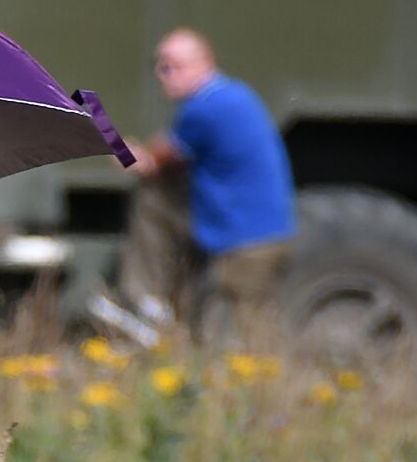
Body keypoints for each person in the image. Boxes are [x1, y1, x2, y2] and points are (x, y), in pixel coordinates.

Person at [119, 27, 296, 342]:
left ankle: (145, 302)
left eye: (173, 65)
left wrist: (117, 146)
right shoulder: (234, 95)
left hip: (246, 245)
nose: (163, 74)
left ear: (205, 63)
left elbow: (152, 164)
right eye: (159, 66)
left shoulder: (203, 109)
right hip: (265, 235)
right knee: (244, 339)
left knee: (236, 343)